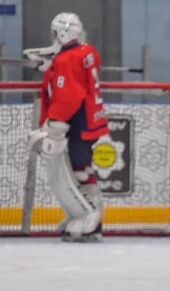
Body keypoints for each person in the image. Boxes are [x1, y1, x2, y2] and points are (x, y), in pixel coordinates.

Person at [29, 12, 107, 242]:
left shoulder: (66, 60)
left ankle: (91, 220)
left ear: (62, 33)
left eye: (55, 32)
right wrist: (50, 66)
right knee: (79, 168)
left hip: (78, 120)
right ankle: (80, 214)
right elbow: (71, 72)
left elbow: (68, 95)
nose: (53, 36)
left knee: (79, 169)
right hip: (89, 117)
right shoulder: (83, 52)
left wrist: (54, 123)